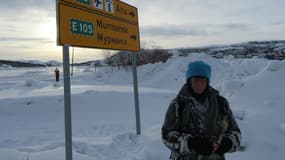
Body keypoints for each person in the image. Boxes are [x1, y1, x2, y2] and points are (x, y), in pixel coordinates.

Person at [162, 61, 241, 160]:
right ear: (189, 81)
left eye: (203, 80)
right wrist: (191, 143)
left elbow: (235, 132)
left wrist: (228, 143)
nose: (199, 84)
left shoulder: (221, 103)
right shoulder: (178, 104)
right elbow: (167, 136)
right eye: (195, 80)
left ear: (207, 81)